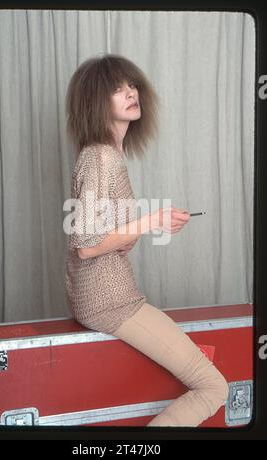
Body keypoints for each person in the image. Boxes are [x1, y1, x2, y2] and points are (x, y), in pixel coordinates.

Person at [64, 53, 229, 427]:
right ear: (95, 100)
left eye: (131, 84)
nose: (130, 92)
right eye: (116, 89)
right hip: (109, 302)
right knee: (213, 387)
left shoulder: (113, 155)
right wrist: (150, 220)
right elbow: (86, 244)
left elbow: (114, 241)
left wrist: (152, 223)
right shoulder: (100, 157)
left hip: (112, 294)